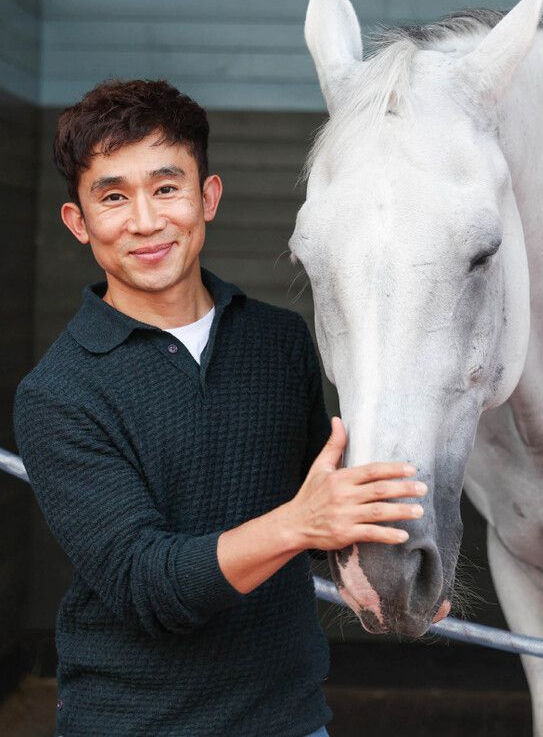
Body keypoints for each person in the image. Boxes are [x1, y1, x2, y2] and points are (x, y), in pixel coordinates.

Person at [13, 79, 427, 737]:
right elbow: (147, 584)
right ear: (79, 221)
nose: (145, 220)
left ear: (207, 197)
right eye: (113, 196)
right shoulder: (58, 393)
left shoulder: (279, 339)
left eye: (167, 187)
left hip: (290, 719)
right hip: (137, 725)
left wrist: (402, 558)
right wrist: (301, 523)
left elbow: (322, 505)